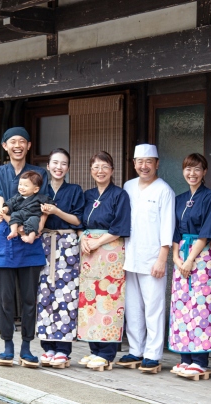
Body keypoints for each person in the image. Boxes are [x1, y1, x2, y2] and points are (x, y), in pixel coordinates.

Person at [0, 127, 48, 367]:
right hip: (7, 236)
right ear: (5, 146)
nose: (17, 145)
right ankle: (7, 346)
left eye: (22, 141)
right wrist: (21, 229)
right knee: (5, 298)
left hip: (31, 241)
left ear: (29, 146)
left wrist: (36, 229)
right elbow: (1, 204)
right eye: (12, 141)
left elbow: (43, 206)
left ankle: (26, 347)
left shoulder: (39, 173)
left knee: (29, 298)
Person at [119, 144, 175, 372]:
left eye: (148, 161)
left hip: (153, 258)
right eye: (140, 162)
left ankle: (152, 354)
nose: (144, 166)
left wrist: (163, 258)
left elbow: (167, 227)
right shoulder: (128, 186)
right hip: (129, 256)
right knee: (132, 306)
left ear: (157, 163)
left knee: (153, 307)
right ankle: (135, 350)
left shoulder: (164, 190)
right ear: (134, 164)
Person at [77, 151, 131, 370]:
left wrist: (97, 242)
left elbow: (120, 227)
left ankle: (107, 353)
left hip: (110, 250)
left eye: (105, 167)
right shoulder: (87, 195)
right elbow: (78, 221)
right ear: (91, 171)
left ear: (112, 170)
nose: (100, 171)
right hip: (88, 252)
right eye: (96, 167)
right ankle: (94, 350)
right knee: (90, 299)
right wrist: (82, 239)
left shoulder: (120, 195)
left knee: (109, 300)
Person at [168, 153, 211, 377]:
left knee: (200, 306)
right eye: (188, 169)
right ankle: (185, 357)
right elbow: (175, 231)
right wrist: (176, 258)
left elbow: (207, 232)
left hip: (201, 256)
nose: (192, 173)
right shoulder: (179, 199)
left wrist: (189, 259)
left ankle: (200, 359)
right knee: (181, 307)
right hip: (182, 255)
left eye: (197, 169)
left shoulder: (210, 197)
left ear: (204, 172)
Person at [36, 149, 85, 367]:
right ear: (48, 166)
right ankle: (47, 347)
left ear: (68, 167)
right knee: (44, 294)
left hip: (67, 244)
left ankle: (63, 349)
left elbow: (77, 220)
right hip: (43, 243)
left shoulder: (75, 190)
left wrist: (56, 211)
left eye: (63, 164)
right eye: (55, 163)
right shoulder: (39, 189)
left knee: (67, 295)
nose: (59, 167)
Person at [0, 170, 54, 244]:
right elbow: (9, 204)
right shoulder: (17, 197)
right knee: (14, 215)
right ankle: (14, 231)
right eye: (20, 184)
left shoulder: (40, 198)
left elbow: (51, 204)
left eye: (26, 186)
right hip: (20, 215)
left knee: (33, 221)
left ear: (36, 189)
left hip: (33, 216)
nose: (21, 187)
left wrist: (46, 207)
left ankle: (31, 238)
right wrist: (5, 209)